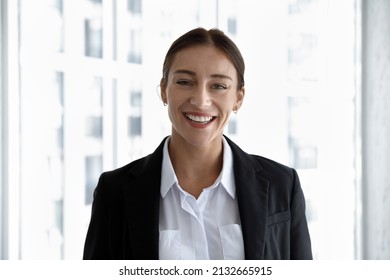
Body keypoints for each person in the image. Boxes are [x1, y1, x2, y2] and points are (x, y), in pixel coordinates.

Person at [83, 27, 312, 260]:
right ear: (164, 91)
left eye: (219, 86)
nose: (201, 101)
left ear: (238, 98)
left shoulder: (282, 186)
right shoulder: (113, 193)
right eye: (184, 82)